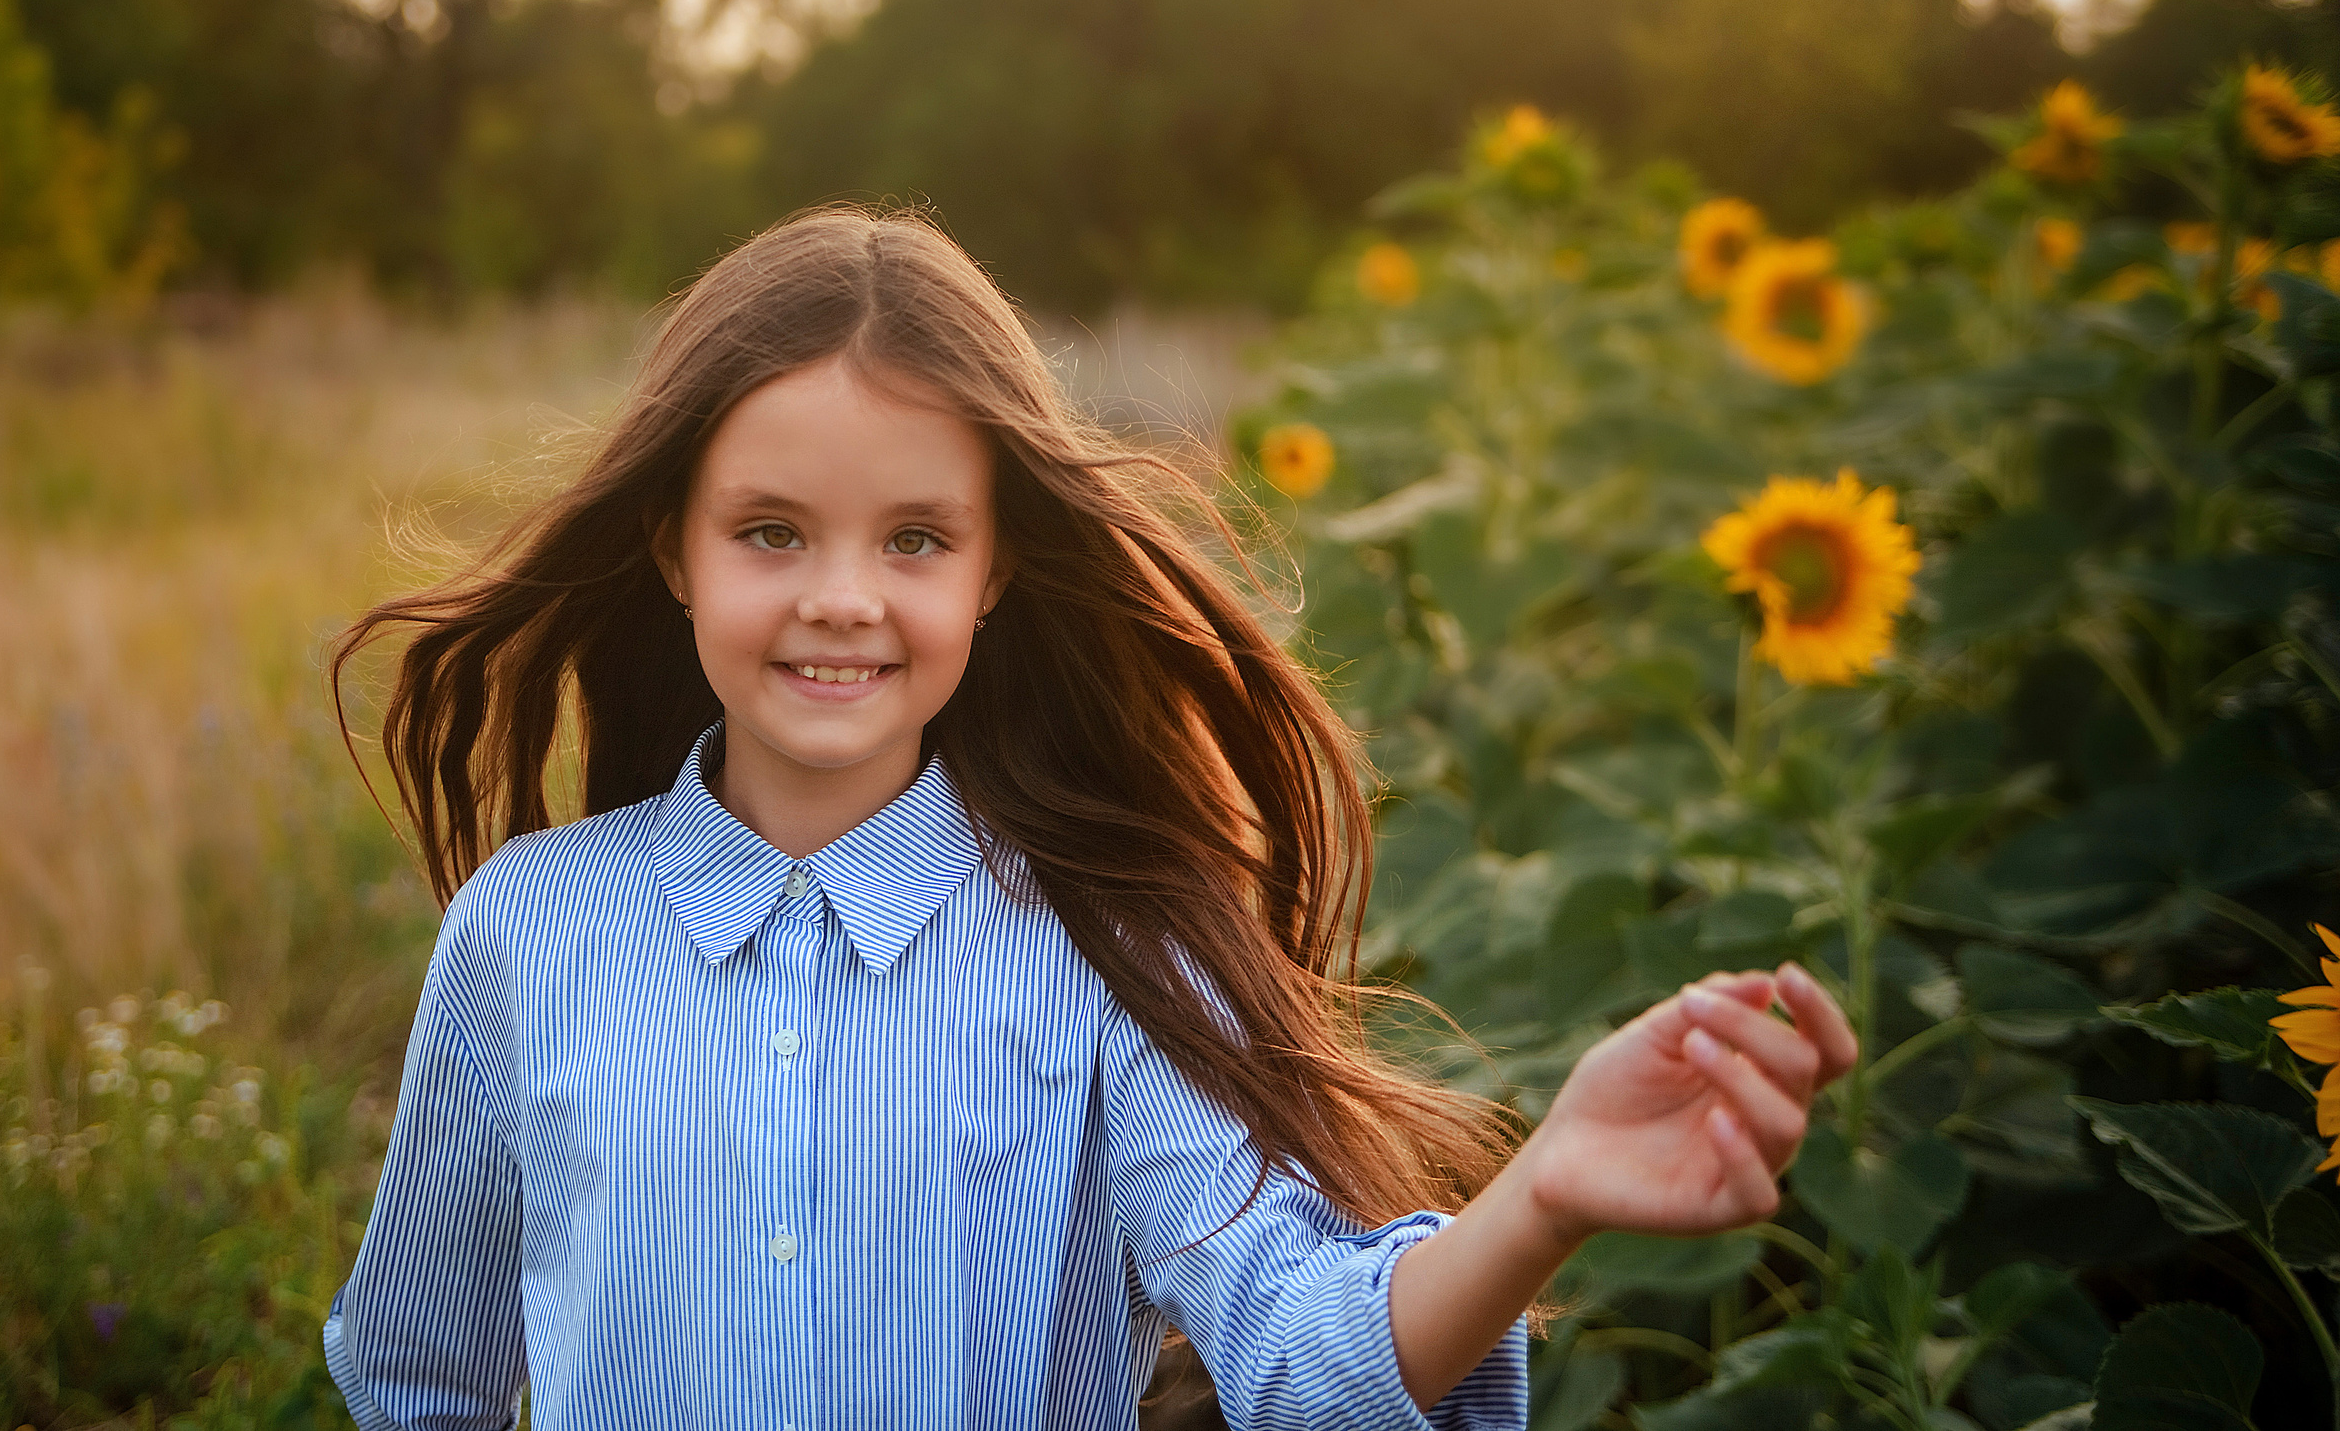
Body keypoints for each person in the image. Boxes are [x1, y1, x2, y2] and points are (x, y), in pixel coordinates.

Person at [321, 206, 1859, 1431]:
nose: (842, 598)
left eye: (916, 538)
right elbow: (422, 1381)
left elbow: (1298, 1358)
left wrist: (1543, 1199)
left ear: (996, 572)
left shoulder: (1104, 941)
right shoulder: (530, 931)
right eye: (771, 531)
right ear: (673, 548)